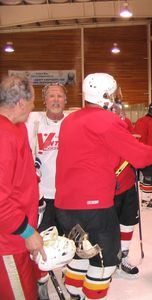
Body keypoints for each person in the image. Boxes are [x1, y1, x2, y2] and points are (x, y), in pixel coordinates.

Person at [54, 73, 152, 299]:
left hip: (66, 208)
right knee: (104, 262)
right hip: (94, 208)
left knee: (80, 255)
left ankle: (74, 293)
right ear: (105, 95)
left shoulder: (70, 120)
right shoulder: (106, 120)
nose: (116, 97)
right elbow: (137, 156)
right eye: (113, 93)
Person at [0, 75, 46, 300]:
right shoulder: (3, 134)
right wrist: (27, 232)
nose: (33, 106)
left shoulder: (15, 128)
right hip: (8, 242)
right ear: (20, 103)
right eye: (32, 101)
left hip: (17, 237)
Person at [25, 82, 67, 298]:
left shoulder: (72, 122)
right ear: (44, 100)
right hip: (42, 195)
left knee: (69, 238)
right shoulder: (33, 120)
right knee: (42, 241)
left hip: (68, 195)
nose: (56, 100)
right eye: (51, 96)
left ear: (65, 100)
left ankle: (70, 275)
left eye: (59, 96)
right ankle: (41, 280)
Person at [111, 100, 141, 278]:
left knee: (128, 222)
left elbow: (134, 148)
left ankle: (123, 256)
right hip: (107, 187)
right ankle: (108, 256)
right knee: (107, 226)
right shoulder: (101, 125)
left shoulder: (126, 123)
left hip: (128, 184)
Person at [134, 102, 152, 209]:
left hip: (139, 155)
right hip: (149, 156)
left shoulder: (140, 120)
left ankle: (144, 199)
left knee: (143, 178)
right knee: (149, 178)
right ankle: (145, 202)